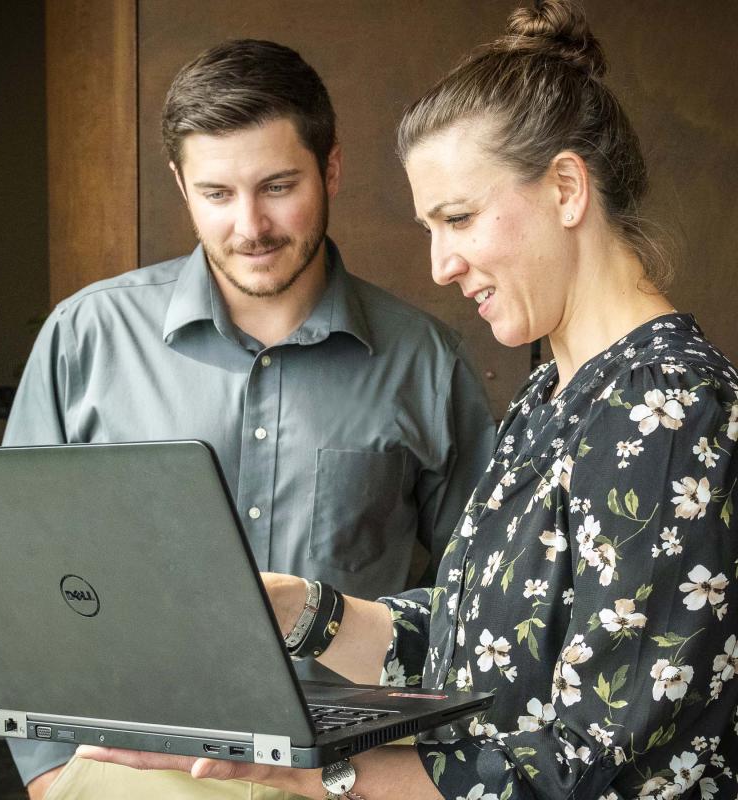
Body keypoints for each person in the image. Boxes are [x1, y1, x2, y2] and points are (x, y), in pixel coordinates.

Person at [78, 1, 738, 798]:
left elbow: (592, 763)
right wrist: (301, 610)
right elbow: (479, 647)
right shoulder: (555, 391)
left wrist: (308, 773)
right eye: (430, 226)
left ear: (567, 187)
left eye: (458, 218)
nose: (440, 266)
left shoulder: (670, 408)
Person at [4, 40, 495, 800]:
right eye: (216, 194)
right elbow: (16, 571)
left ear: (330, 169)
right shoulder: (86, 338)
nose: (250, 226)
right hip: (135, 774)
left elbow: (486, 600)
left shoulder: (427, 362)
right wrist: (51, 774)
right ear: (180, 185)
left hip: (348, 777)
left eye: (277, 186)